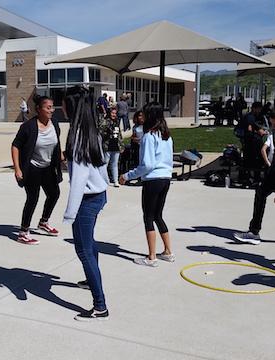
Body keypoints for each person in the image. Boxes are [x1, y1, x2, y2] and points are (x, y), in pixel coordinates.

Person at [63, 86, 110, 321]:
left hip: (87, 200)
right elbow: (102, 165)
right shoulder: (91, 130)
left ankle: (100, 306)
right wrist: (106, 188)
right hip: (97, 195)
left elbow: (79, 180)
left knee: (83, 250)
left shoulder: (78, 136)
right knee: (89, 244)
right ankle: (90, 279)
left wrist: (70, 213)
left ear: (70, 107)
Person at [234, 104, 275, 245]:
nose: (274, 128)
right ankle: (254, 232)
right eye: (272, 125)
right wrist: (270, 171)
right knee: (260, 193)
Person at [119, 102, 174, 267]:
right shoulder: (166, 135)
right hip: (165, 179)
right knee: (158, 215)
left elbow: (147, 165)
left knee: (148, 217)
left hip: (153, 180)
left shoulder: (149, 136)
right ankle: (168, 251)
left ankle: (151, 257)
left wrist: (127, 176)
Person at [11, 95, 63, 245]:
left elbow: (56, 143)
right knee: (33, 198)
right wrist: (17, 169)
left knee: (54, 194)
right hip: (32, 168)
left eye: (52, 107)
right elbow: (15, 145)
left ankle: (43, 222)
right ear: (38, 109)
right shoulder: (28, 126)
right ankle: (23, 232)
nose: (51, 110)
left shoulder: (55, 123)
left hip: (48, 167)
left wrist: (60, 157)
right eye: (48, 108)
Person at [98, 108, 123, 187]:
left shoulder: (117, 121)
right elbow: (100, 130)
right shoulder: (105, 121)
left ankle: (115, 180)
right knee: (105, 163)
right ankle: (104, 179)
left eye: (115, 113)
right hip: (107, 145)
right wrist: (106, 130)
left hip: (116, 145)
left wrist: (121, 145)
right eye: (112, 113)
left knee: (115, 164)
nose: (114, 115)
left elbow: (120, 134)